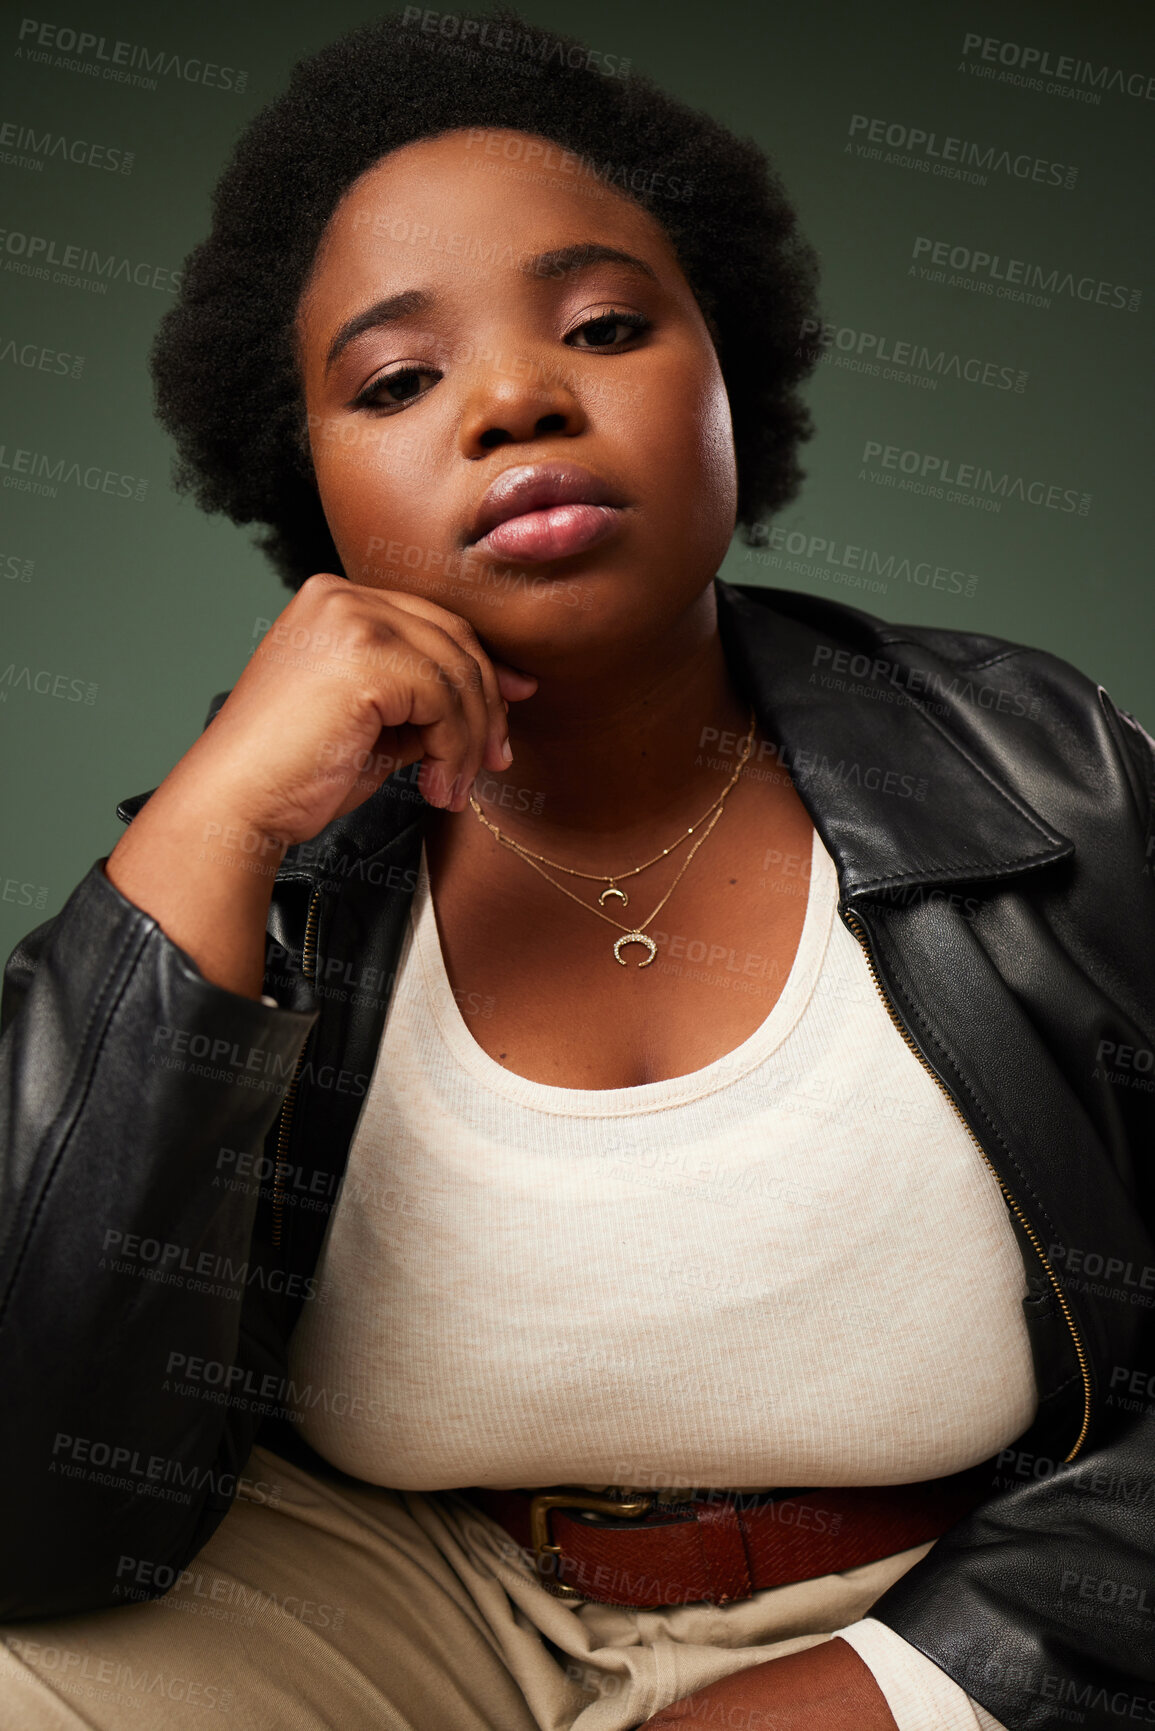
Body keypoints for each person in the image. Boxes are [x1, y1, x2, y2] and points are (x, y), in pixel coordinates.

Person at [1, 9, 1153, 1730]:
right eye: (395, 382)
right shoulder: (271, 871)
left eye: (605, 327)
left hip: (941, 1600)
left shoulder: (1049, 783)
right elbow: (29, 1502)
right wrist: (212, 820)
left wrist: (925, 1681)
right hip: (407, 1602)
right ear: (312, 487)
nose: (517, 398)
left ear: (728, 382)